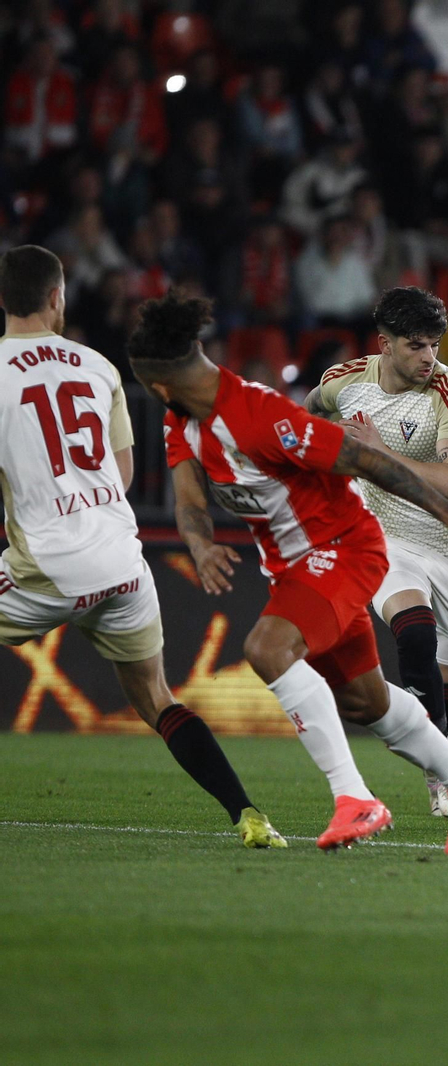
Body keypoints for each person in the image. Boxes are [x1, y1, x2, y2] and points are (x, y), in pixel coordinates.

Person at [127, 291, 448, 853]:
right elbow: (188, 500)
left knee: (267, 647)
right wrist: (200, 545)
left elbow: (362, 458)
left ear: (158, 383)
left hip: (347, 547)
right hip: (296, 566)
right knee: (367, 702)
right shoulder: (183, 421)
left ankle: (355, 799)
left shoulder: (258, 416)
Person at [0, 246, 283, 848]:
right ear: (57, 297)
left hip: (46, 566)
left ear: (3, 300)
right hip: (123, 560)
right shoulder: (99, 368)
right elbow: (121, 473)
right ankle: (248, 814)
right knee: (156, 698)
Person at [304, 287, 448, 816]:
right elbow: (306, 417)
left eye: (434, 346)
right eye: (416, 347)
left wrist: (381, 452)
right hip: (383, 538)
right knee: (414, 630)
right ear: (384, 344)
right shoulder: (342, 383)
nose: (430, 358)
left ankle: (446, 750)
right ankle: (442, 774)